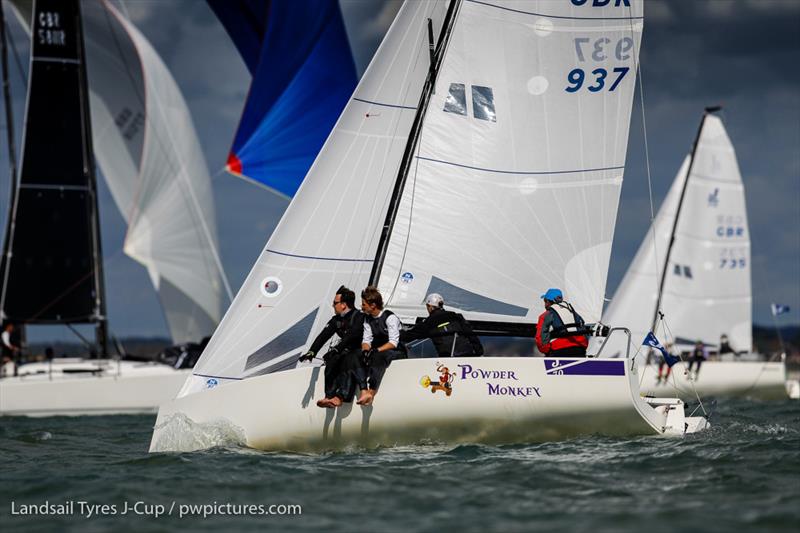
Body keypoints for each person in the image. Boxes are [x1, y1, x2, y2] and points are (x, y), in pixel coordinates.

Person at [299, 286, 365, 408]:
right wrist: (311, 352)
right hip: (345, 350)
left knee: (347, 358)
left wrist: (336, 349)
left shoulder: (359, 317)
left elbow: (351, 336)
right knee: (332, 360)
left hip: (361, 351)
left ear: (344, 305)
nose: (333, 305)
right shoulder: (336, 320)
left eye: (335, 303)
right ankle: (329, 396)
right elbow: (323, 336)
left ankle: (341, 397)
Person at [354, 286, 407, 406]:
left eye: (363, 304)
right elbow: (366, 340)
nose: (361, 307)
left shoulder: (390, 318)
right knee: (355, 356)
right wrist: (366, 351)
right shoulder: (367, 319)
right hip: (380, 350)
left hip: (397, 351)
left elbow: (393, 342)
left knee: (378, 356)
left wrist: (375, 350)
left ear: (372, 305)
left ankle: (371, 393)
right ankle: (360, 390)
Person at [401, 293, 483, 357]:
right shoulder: (456, 316)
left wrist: (394, 331)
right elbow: (471, 334)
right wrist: (479, 352)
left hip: (448, 361)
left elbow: (408, 336)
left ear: (430, 307)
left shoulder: (428, 322)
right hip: (469, 355)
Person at [534, 288, 588, 357]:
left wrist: (546, 351)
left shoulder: (545, 316)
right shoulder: (574, 313)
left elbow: (540, 338)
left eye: (545, 301)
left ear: (548, 301)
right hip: (580, 351)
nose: (545, 305)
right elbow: (584, 333)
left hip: (558, 352)